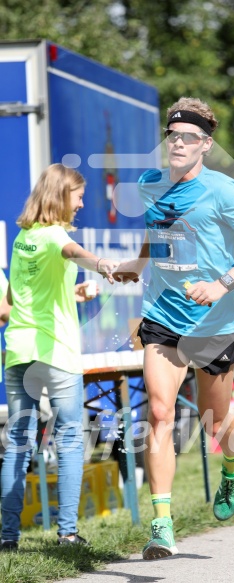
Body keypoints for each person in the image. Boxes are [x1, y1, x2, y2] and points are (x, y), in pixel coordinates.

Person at [114, 97, 234, 560]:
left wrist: (223, 283)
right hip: (163, 315)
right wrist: (138, 264)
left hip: (214, 323)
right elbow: (157, 228)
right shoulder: (150, 184)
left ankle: (232, 460)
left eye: (188, 137)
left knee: (214, 419)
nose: (178, 143)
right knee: (161, 414)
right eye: (173, 135)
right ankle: (161, 525)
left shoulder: (223, 190)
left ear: (205, 144)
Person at [0, 163, 118, 552]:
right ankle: (67, 534)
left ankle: (8, 538)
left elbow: (18, 300)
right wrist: (101, 264)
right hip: (56, 352)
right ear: (61, 196)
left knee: (17, 442)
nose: (82, 203)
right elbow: (72, 250)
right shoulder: (55, 235)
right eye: (78, 196)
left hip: (18, 350)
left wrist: (75, 293)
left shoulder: (23, 238)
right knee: (69, 438)